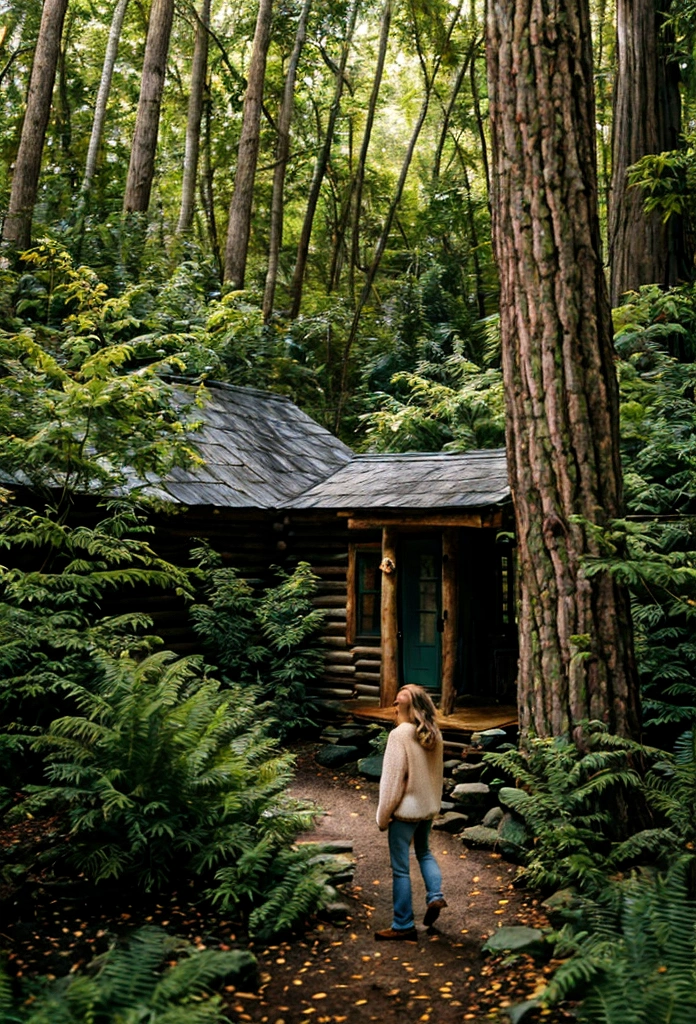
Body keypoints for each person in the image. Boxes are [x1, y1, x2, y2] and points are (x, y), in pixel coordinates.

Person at [374, 684, 447, 941]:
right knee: (425, 852)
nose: (394, 706)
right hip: (426, 810)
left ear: (409, 706)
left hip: (404, 813)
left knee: (401, 870)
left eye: (397, 701)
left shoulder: (400, 734)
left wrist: (383, 817)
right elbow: (437, 776)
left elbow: (393, 782)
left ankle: (402, 925)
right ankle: (435, 896)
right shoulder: (434, 734)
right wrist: (432, 805)